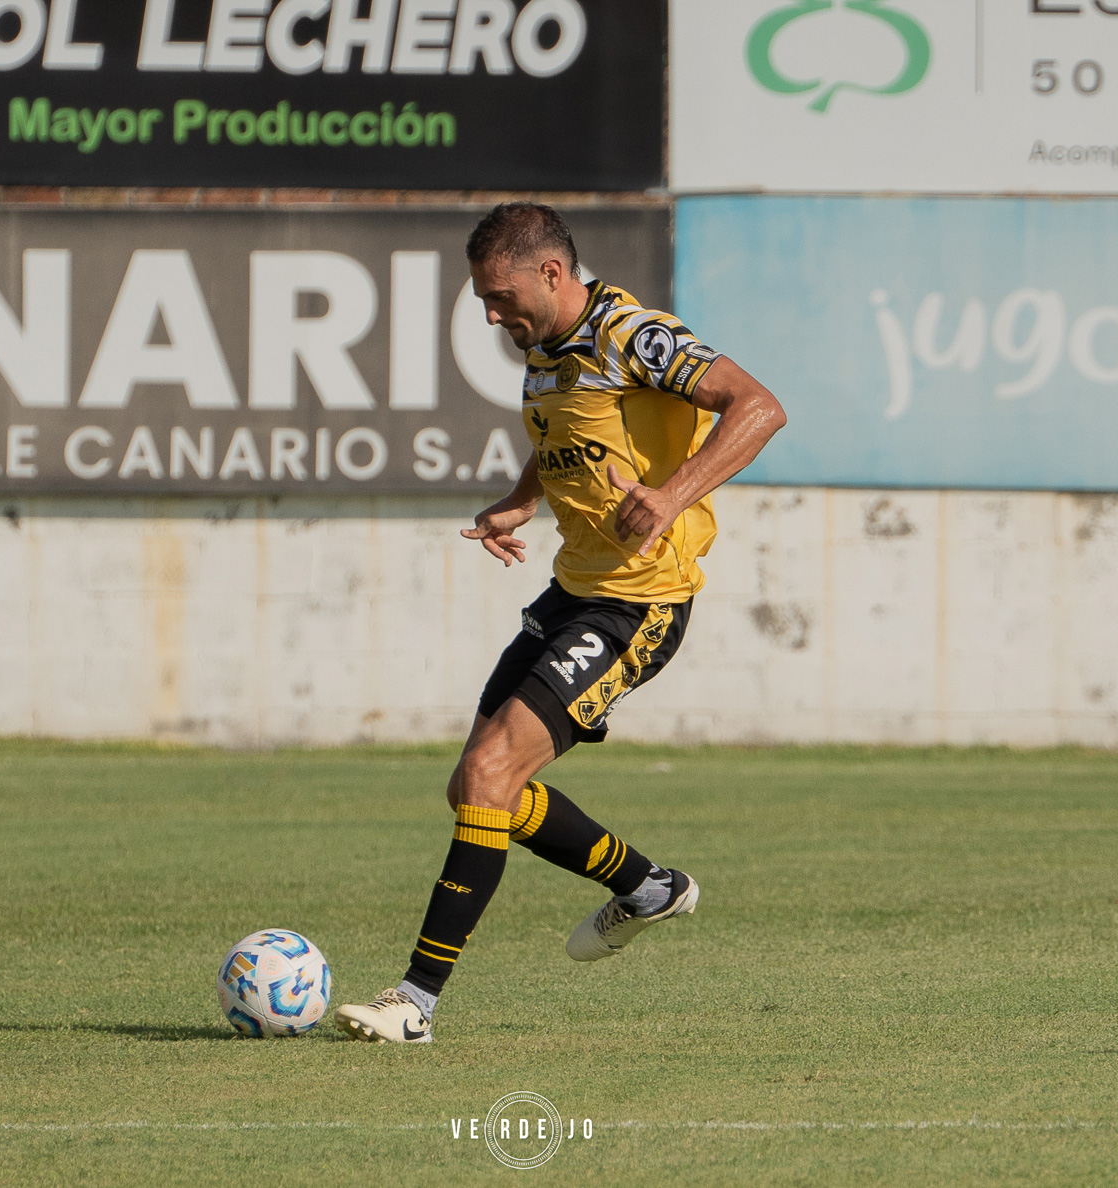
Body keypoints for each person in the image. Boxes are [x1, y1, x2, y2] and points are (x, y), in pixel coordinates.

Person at [335, 202, 787, 1043]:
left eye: (499, 296)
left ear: (551, 274)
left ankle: (415, 1004)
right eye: (482, 299)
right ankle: (648, 887)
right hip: (572, 591)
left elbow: (758, 406)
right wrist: (519, 501)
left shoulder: (633, 335)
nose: (490, 315)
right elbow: (571, 443)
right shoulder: (546, 349)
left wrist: (672, 496)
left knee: (490, 774)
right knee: (475, 787)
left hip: (639, 602)